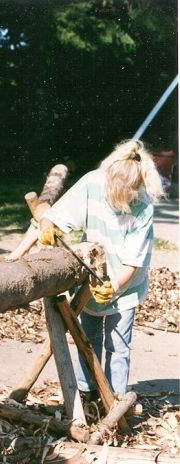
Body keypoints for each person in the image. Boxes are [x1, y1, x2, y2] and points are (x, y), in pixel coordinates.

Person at [39, 138, 163, 398]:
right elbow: (57, 215)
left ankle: (114, 396)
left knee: (118, 344)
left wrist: (115, 285)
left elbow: (133, 261)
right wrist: (48, 226)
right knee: (88, 339)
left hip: (127, 283)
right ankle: (87, 391)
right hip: (91, 276)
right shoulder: (93, 182)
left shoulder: (143, 206)